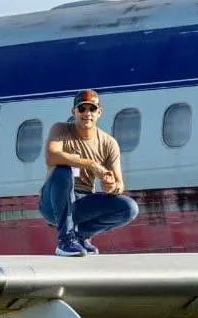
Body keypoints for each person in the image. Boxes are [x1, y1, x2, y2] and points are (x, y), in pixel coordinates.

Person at [39, 89, 139, 256]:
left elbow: (119, 184)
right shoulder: (60, 129)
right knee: (63, 170)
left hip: (83, 202)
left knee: (129, 208)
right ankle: (65, 241)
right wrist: (92, 165)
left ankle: (80, 235)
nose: (87, 113)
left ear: (99, 112)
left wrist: (111, 186)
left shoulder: (109, 143)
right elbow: (51, 155)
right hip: (53, 203)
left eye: (92, 109)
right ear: (74, 112)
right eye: (82, 109)